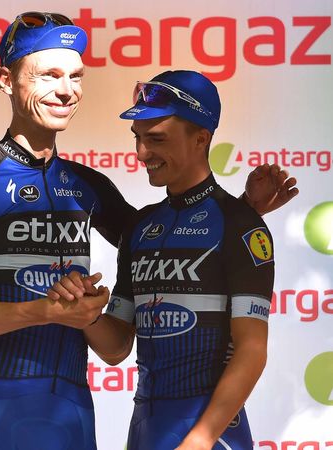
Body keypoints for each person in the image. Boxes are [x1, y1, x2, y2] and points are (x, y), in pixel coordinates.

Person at [0, 11, 296, 450]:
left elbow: (170, 240)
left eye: (75, 76)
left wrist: (243, 214)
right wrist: (42, 311)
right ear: (7, 80)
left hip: (72, 413)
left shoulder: (88, 186)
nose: (65, 89)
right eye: (48, 75)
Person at [49, 70, 287, 450]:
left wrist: (200, 440)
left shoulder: (241, 225)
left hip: (213, 435)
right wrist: (85, 314)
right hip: (145, 430)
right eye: (138, 138)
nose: (142, 153)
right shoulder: (141, 227)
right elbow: (116, 348)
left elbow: (252, 350)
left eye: (156, 139)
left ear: (201, 138)